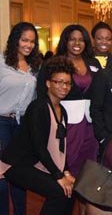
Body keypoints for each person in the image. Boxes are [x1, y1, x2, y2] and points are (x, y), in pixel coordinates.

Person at [0, 56, 74, 215]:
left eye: (67, 83)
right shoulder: (38, 107)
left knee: (70, 190)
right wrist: (58, 175)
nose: (64, 87)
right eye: (59, 82)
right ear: (48, 83)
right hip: (18, 163)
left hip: (37, 161)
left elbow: (61, 146)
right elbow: (39, 146)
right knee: (58, 191)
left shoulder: (63, 111)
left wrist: (66, 172)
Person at [0, 21, 42, 215]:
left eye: (32, 41)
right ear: (15, 40)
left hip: (22, 125)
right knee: (0, 173)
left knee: (19, 174)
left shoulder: (34, 66)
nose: (28, 45)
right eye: (24, 40)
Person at [36, 24, 101, 178]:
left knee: (89, 166)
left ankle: (85, 199)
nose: (77, 43)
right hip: (66, 121)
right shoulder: (54, 63)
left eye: (81, 40)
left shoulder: (93, 63)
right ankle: (65, 198)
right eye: (72, 39)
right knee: (67, 161)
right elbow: (42, 92)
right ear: (65, 41)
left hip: (90, 123)